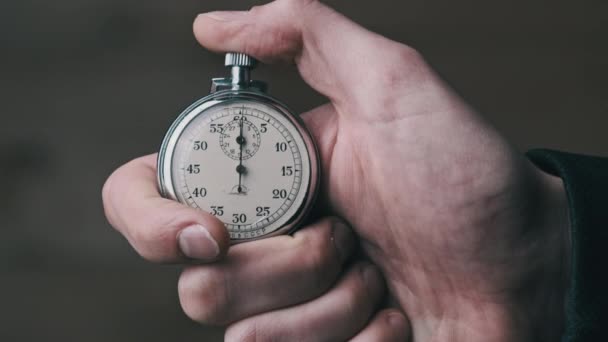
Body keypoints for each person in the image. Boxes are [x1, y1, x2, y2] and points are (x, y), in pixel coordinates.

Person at [102, 0, 607, 340]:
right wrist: (557, 251)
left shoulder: (303, 147)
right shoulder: (235, 141)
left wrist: (547, 256)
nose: (239, 169)